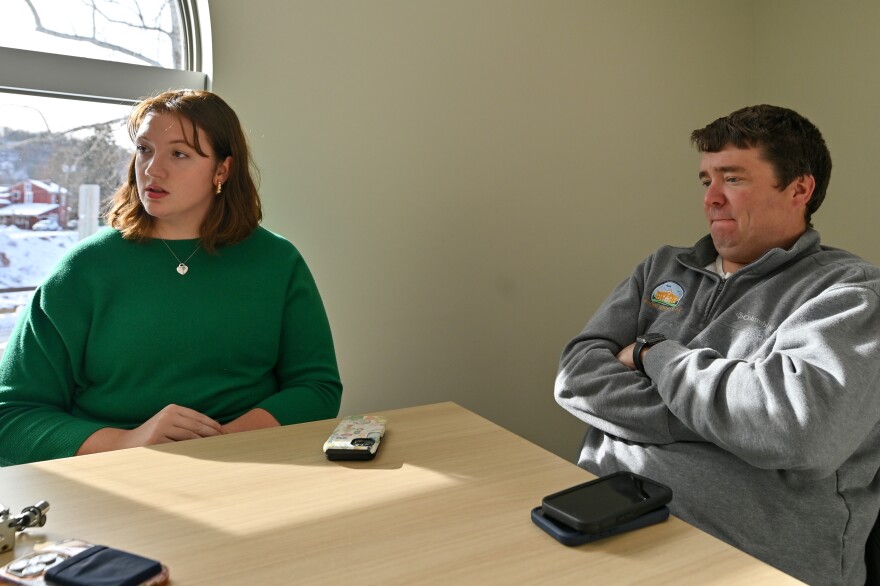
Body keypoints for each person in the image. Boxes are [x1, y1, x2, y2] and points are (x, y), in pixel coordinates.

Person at [555, 105, 880, 585]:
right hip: (597, 513)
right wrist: (727, 423)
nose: (712, 198)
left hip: (746, 558)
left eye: (734, 179)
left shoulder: (848, 294)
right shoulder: (662, 268)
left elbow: (793, 431)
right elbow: (575, 376)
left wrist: (652, 354)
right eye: (706, 180)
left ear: (799, 189)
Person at [0, 90, 342, 466]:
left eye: (178, 154)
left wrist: (221, 443)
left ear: (222, 170)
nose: (152, 169)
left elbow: (316, 387)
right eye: (145, 149)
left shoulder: (278, 261)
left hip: (255, 466)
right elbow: (12, 417)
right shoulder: (84, 269)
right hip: (115, 477)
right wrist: (128, 441)